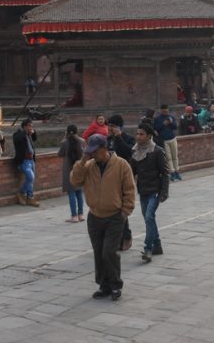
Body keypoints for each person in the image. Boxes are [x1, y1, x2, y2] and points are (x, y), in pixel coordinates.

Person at [70, 134, 136, 301]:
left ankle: (115, 285)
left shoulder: (121, 165)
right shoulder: (89, 165)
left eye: (95, 151)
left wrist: (125, 212)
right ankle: (104, 285)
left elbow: (129, 190)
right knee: (98, 253)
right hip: (95, 217)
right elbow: (74, 181)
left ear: (104, 148)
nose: (92, 154)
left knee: (109, 252)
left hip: (114, 216)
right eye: (89, 151)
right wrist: (82, 161)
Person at [131, 122, 170, 263]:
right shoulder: (135, 151)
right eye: (137, 133)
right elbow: (131, 172)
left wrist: (164, 192)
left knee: (148, 217)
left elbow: (165, 173)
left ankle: (148, 249)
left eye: (141, 134)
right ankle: (157, 245)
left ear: (149, 136)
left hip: (155, 190)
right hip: (143, 191)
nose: (138, 136)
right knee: (149, 219)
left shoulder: (157, 151)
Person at [106, 115, 135, 249]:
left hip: (124, 178)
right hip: (109, 178)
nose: (109, 128)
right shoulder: (108, 140)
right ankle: (117, 238)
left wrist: (119, 137)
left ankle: (126, 236)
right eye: (109, 125)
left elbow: (128, 153)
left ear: (119, 127)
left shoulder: (128, 138)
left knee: (121, 208)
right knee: (112, 208)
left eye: (112, 125)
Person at [58, 125, 86, 222]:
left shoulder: (65, 143)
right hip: (78, 169)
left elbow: (60, 154)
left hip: (68, 170)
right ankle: (81, 214)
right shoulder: (82, 141)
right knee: (79, 192)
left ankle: (74, 216)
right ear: (76, 131)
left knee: (71, 193)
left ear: (67, 132)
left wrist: (64, 138)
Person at [12, 118, 40, 207]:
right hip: (23, 161)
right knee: (30, 177)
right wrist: (25, 132)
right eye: (29, 126)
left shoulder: (29, 135)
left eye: (32, 126)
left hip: (31, 160)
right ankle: (21, 193)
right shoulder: (17, 134)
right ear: (24, 126)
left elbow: (35, 138)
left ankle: (30, 198)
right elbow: (17, 139)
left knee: (30, 180)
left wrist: (32, 131)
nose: (31, 128)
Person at [154, 105, 181, 181]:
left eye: (166, 111)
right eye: (163, 111)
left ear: (168, 110)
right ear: (161, 111)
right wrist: (163, 124)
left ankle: (177, 172)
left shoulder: (171, 117)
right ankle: (172, 172)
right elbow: (156, 128)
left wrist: (171, 123)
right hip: (164, 140)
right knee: (168, 158)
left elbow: (175, 127)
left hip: (172, 138)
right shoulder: (158, 119)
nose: (165, 112)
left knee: (175, 156)